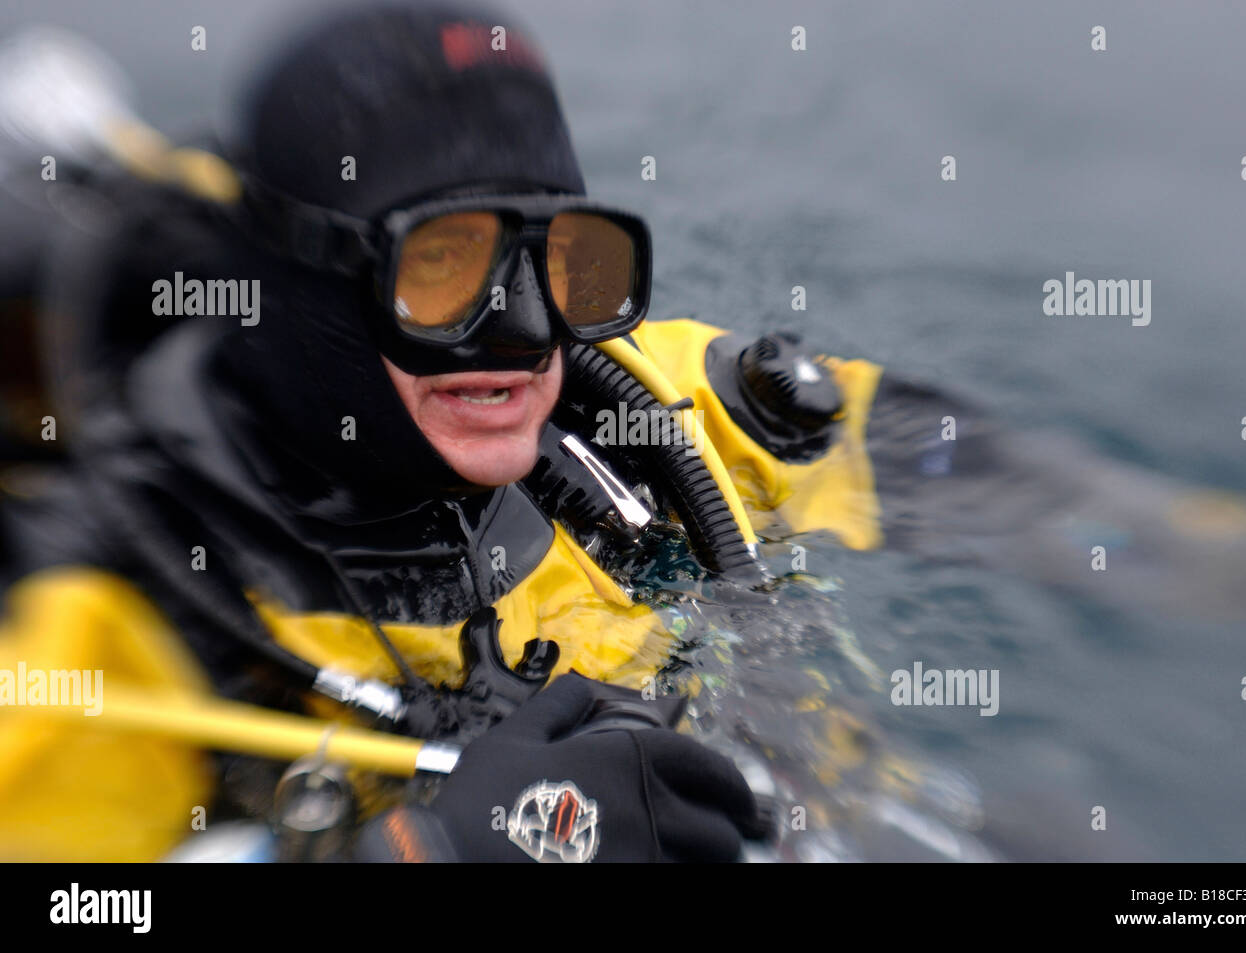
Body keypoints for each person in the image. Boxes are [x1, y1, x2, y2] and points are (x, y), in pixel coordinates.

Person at [0, 2, 887, 862]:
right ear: (307, 280)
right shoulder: (96, 633)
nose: (532, 332)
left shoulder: (656, 411)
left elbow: (973, 475)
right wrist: (426, 853)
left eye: (561, 256)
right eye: (443, 260)